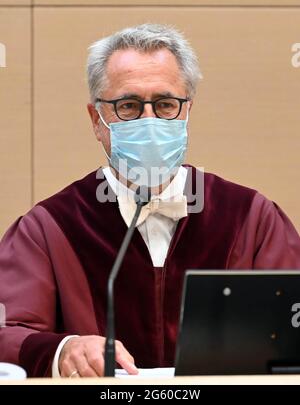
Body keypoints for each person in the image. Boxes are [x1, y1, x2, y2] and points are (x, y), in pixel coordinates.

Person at [0, 24, 300, 378]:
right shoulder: (48, 227)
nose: (149, 120)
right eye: (128, 106)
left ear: (186, 112)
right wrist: (64, 349)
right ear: (97, 120)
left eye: (165, 104)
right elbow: (8, 329)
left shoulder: (251, 217)